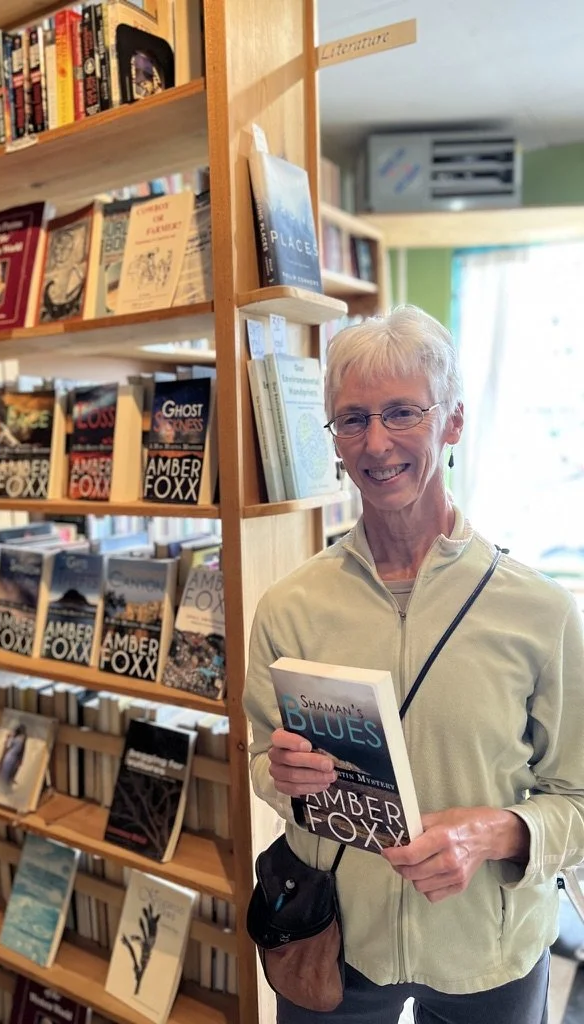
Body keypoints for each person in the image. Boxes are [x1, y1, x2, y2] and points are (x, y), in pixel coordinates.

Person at [243, 305, 584, 1024]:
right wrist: (280, 774)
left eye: (402, 412)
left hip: (485, 950)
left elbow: (578, 799)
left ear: (452, 421)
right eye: (352, 419)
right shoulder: (289, 607)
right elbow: (259, 762)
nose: (377, 442)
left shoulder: (539, 611)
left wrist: (492, 832)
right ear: (332, 437)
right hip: (334, 939)